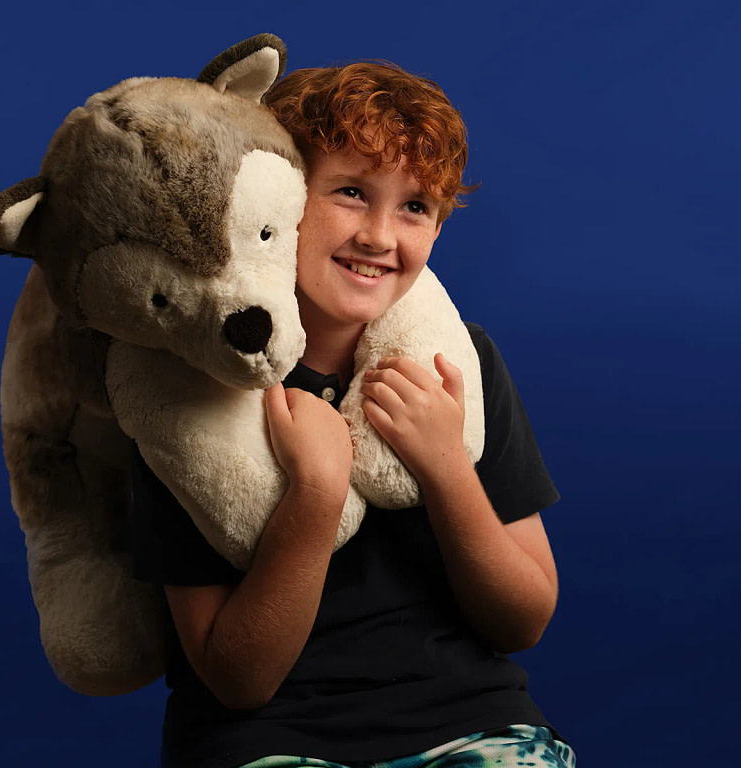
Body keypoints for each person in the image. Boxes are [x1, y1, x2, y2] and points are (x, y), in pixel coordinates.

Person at [130, 61, 575, 768]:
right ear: (279, 198)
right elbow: (237, 680)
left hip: (470, 728)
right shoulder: (187, 386)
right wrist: (315, 493)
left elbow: (524, 620)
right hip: (266, 742)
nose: (378, 235)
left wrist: (444, 466)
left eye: (415, 208)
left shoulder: (459, 364)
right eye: (349, 193)